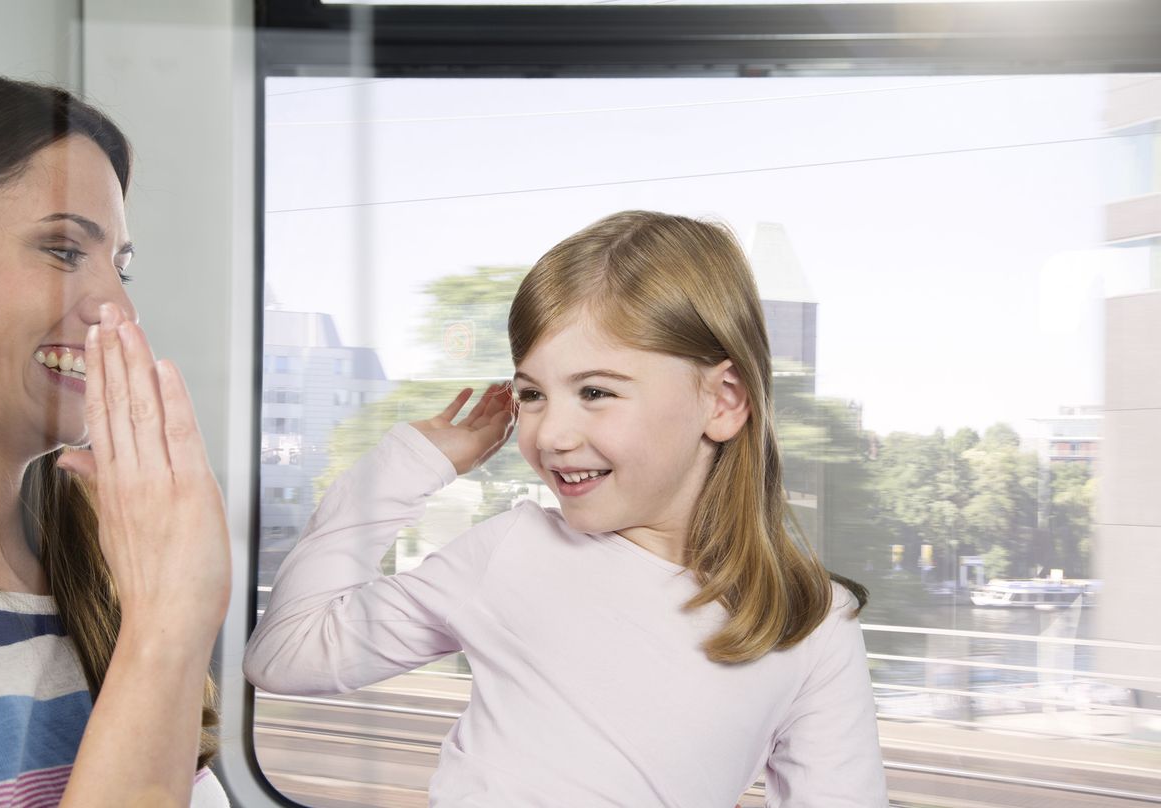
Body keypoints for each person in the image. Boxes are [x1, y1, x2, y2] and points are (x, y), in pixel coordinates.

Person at [245, 210, 888, 806]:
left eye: (596, 391)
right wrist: (407, 464)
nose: (549, 434)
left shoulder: (812, 621)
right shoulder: (510, 552)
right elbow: (286, 657)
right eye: (531, 394)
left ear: (721, 402)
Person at [0, 68, 231, 807]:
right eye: (64, 250)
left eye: (121, 268)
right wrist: (169, 626)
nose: (117, 311)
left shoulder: (92, 589)